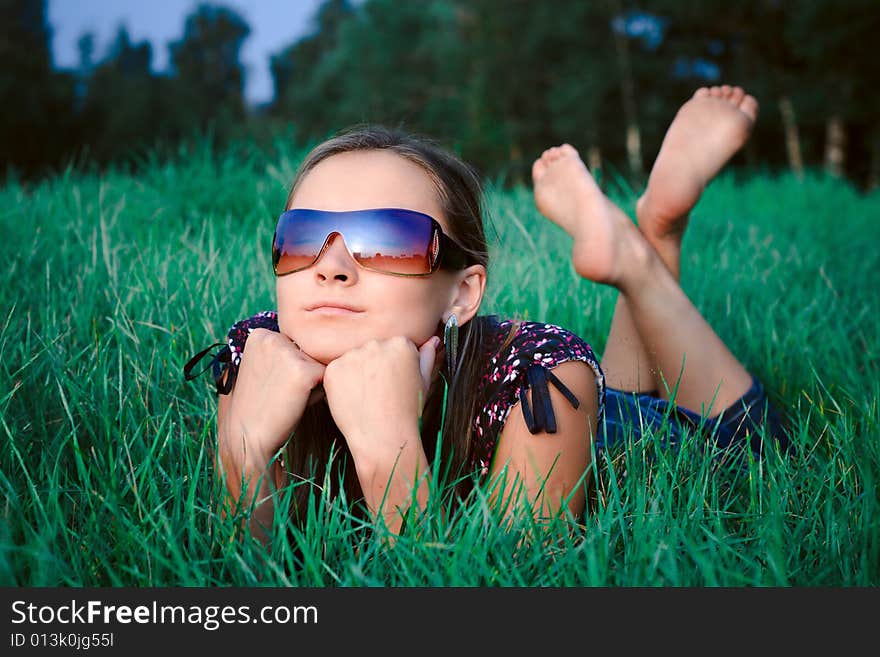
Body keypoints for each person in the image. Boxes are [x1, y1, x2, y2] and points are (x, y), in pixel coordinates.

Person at [184, 85, 789, 540]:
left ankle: (645, 245)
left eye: (388, 239)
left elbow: (499, 587)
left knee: (754, 447)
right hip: (596, 413)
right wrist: (244, 452)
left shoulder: (541, 382)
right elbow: (242, 586)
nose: (330, 267)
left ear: (462, 294)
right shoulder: (261, 358)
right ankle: (644, 231)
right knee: (628, 384)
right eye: (301, 237)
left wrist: (386, 451)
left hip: (615, 436)